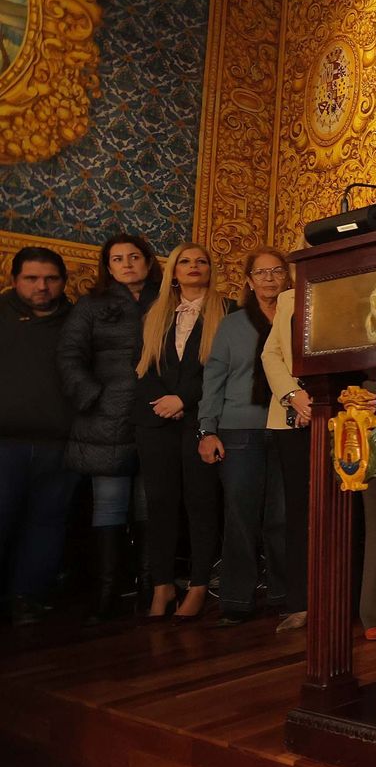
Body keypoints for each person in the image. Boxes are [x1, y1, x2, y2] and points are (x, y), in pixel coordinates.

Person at [58, 234, 159, 621]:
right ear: (108, 266)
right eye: (117, 259)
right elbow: (69, 354)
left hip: (156, 413)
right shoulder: (91, 305)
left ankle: (151, 590)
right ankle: (107, 594)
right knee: (110, 507)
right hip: (104, 416)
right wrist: (93, 395)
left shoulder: (166, 300)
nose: (127, 264)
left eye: (134, 257)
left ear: (148, 262)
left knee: (152, 506)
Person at [134, 243, 230, 621]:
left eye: (201, 261)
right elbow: (139, 368)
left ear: (210, 269)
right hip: (155, 422)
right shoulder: (154, 312)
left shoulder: (227, 311)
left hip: (200, 422)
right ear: (173, 271)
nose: (193, 267)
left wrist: (183, 400)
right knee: (159, 506)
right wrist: (162, 400)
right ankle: (161, 586)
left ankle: (199, 585)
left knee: (201, 505)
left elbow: (222, 370)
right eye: (185, 262)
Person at [197, 247, 293, 626]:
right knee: (240, 515)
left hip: (288, 424)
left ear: (287, 277)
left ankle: (287, 595)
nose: (269, 278)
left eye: (277, 271)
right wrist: (206, 429)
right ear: (249, 282)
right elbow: (213, 379)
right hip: (240, 428)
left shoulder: (299, 316)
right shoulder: (232, 324)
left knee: (283, 517)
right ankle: (236, 600)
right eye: (261, 273)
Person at [0, 248, 78, 625]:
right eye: (32, 278)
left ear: (64, 281)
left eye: (51, 278)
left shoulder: (79, 321)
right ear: (14, 279)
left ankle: (27, 599)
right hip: (4, 444)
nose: (42, 286)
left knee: (46, 525)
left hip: (60, 445)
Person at [260, 285, 309, 632]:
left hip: (346, 410)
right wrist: (294, 395)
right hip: (291, 416)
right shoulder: (289, 297)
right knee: (298, 510)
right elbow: (271, 354)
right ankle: (301, 602)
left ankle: (343, 598)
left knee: (345, 510)